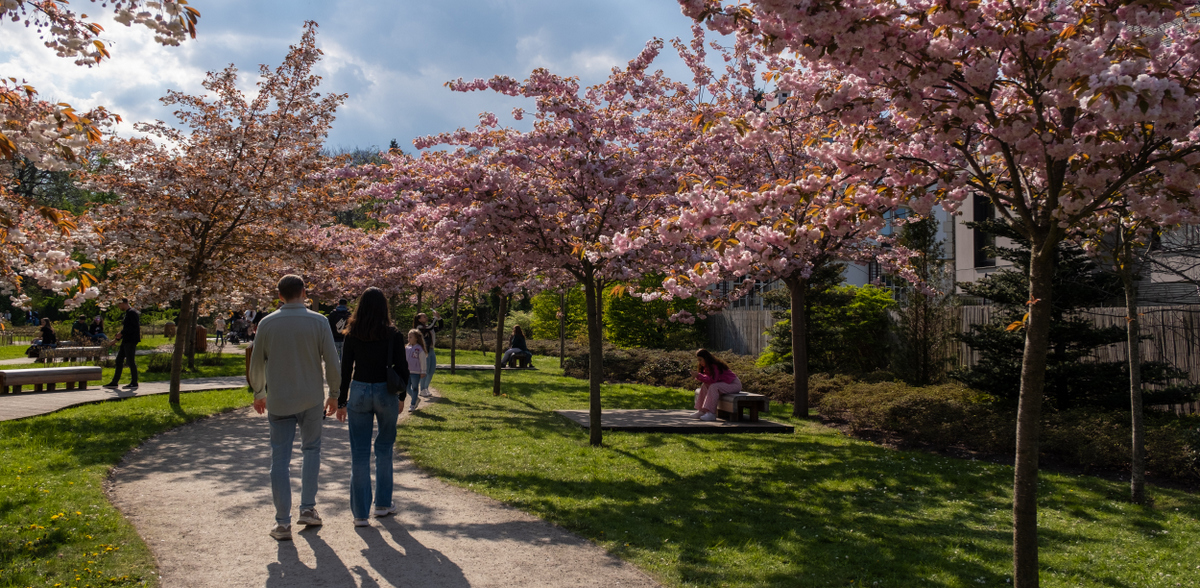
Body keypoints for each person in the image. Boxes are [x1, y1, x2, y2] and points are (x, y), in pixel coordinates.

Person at [248, 275, 341, 541]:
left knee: (280, 459)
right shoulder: (319, 321)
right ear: (304, 292)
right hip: (311, 398)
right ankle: (308, 508)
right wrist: (334, 394)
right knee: (311, 450)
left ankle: (282, 522)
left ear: (279, 295)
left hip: (279, 399)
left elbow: (256, 362)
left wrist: (259, 391)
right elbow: (332, 362)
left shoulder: (266, 323)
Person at [336, 288, 408, 527]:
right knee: (385, 448)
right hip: (385, 392)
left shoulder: (352, 333)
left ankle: (359, 514)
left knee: (359, 452)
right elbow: (403, 368)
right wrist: (402, 396)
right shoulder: (393, 334)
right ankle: (383, 504)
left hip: (359, 391)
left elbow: (345, 370)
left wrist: (341, 402)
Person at [691, 349, 742, 422]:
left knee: (714, 386)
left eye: (700, 360)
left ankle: (711, 413)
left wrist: (699, 376)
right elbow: (708, 380)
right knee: (705, 385)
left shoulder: (715, 366)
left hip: (734, 384)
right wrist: (699, 376)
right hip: (725, 384)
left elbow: (713, 380)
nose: (699, 362)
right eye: (698, 360)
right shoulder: (707, 367)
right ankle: (702, 411)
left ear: (706, 358)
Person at [103, 299, 141, 390]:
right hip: (126, 340)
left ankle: (134, 382)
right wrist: (116, 339)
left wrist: (122, 333)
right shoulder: (128, 313)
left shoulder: (132, 312)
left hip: (131, 340)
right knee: (119, 360)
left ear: (123, 303)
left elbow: (134, 327)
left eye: (119, 305)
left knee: (130, 361)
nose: (118, 307)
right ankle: (114, 382)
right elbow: (127, 328)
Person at [413, 311, 441, 397]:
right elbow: (429, 328)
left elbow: (440, 327)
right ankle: (422, 389)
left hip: (432, 350)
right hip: (425, 351)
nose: (426, 318)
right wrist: (435, 318)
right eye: (424, 317)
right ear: (419, 319)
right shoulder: (419, 327)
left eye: (426, 316)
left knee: (431, 370)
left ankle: (426, 388)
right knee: (425, 370)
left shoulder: (428, 327)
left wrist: (439, 318)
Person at [404, 329, 427, 412]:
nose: (408, 339)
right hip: (407, 371)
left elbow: (423, 361)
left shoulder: (419, 349)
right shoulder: (407, 347)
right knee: (406, 387)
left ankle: (412, 404)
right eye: (408, 337)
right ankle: (416, 398)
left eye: (411, 337)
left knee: (414, 388)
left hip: (416, 372)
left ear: (416, 338)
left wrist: (423, 371)